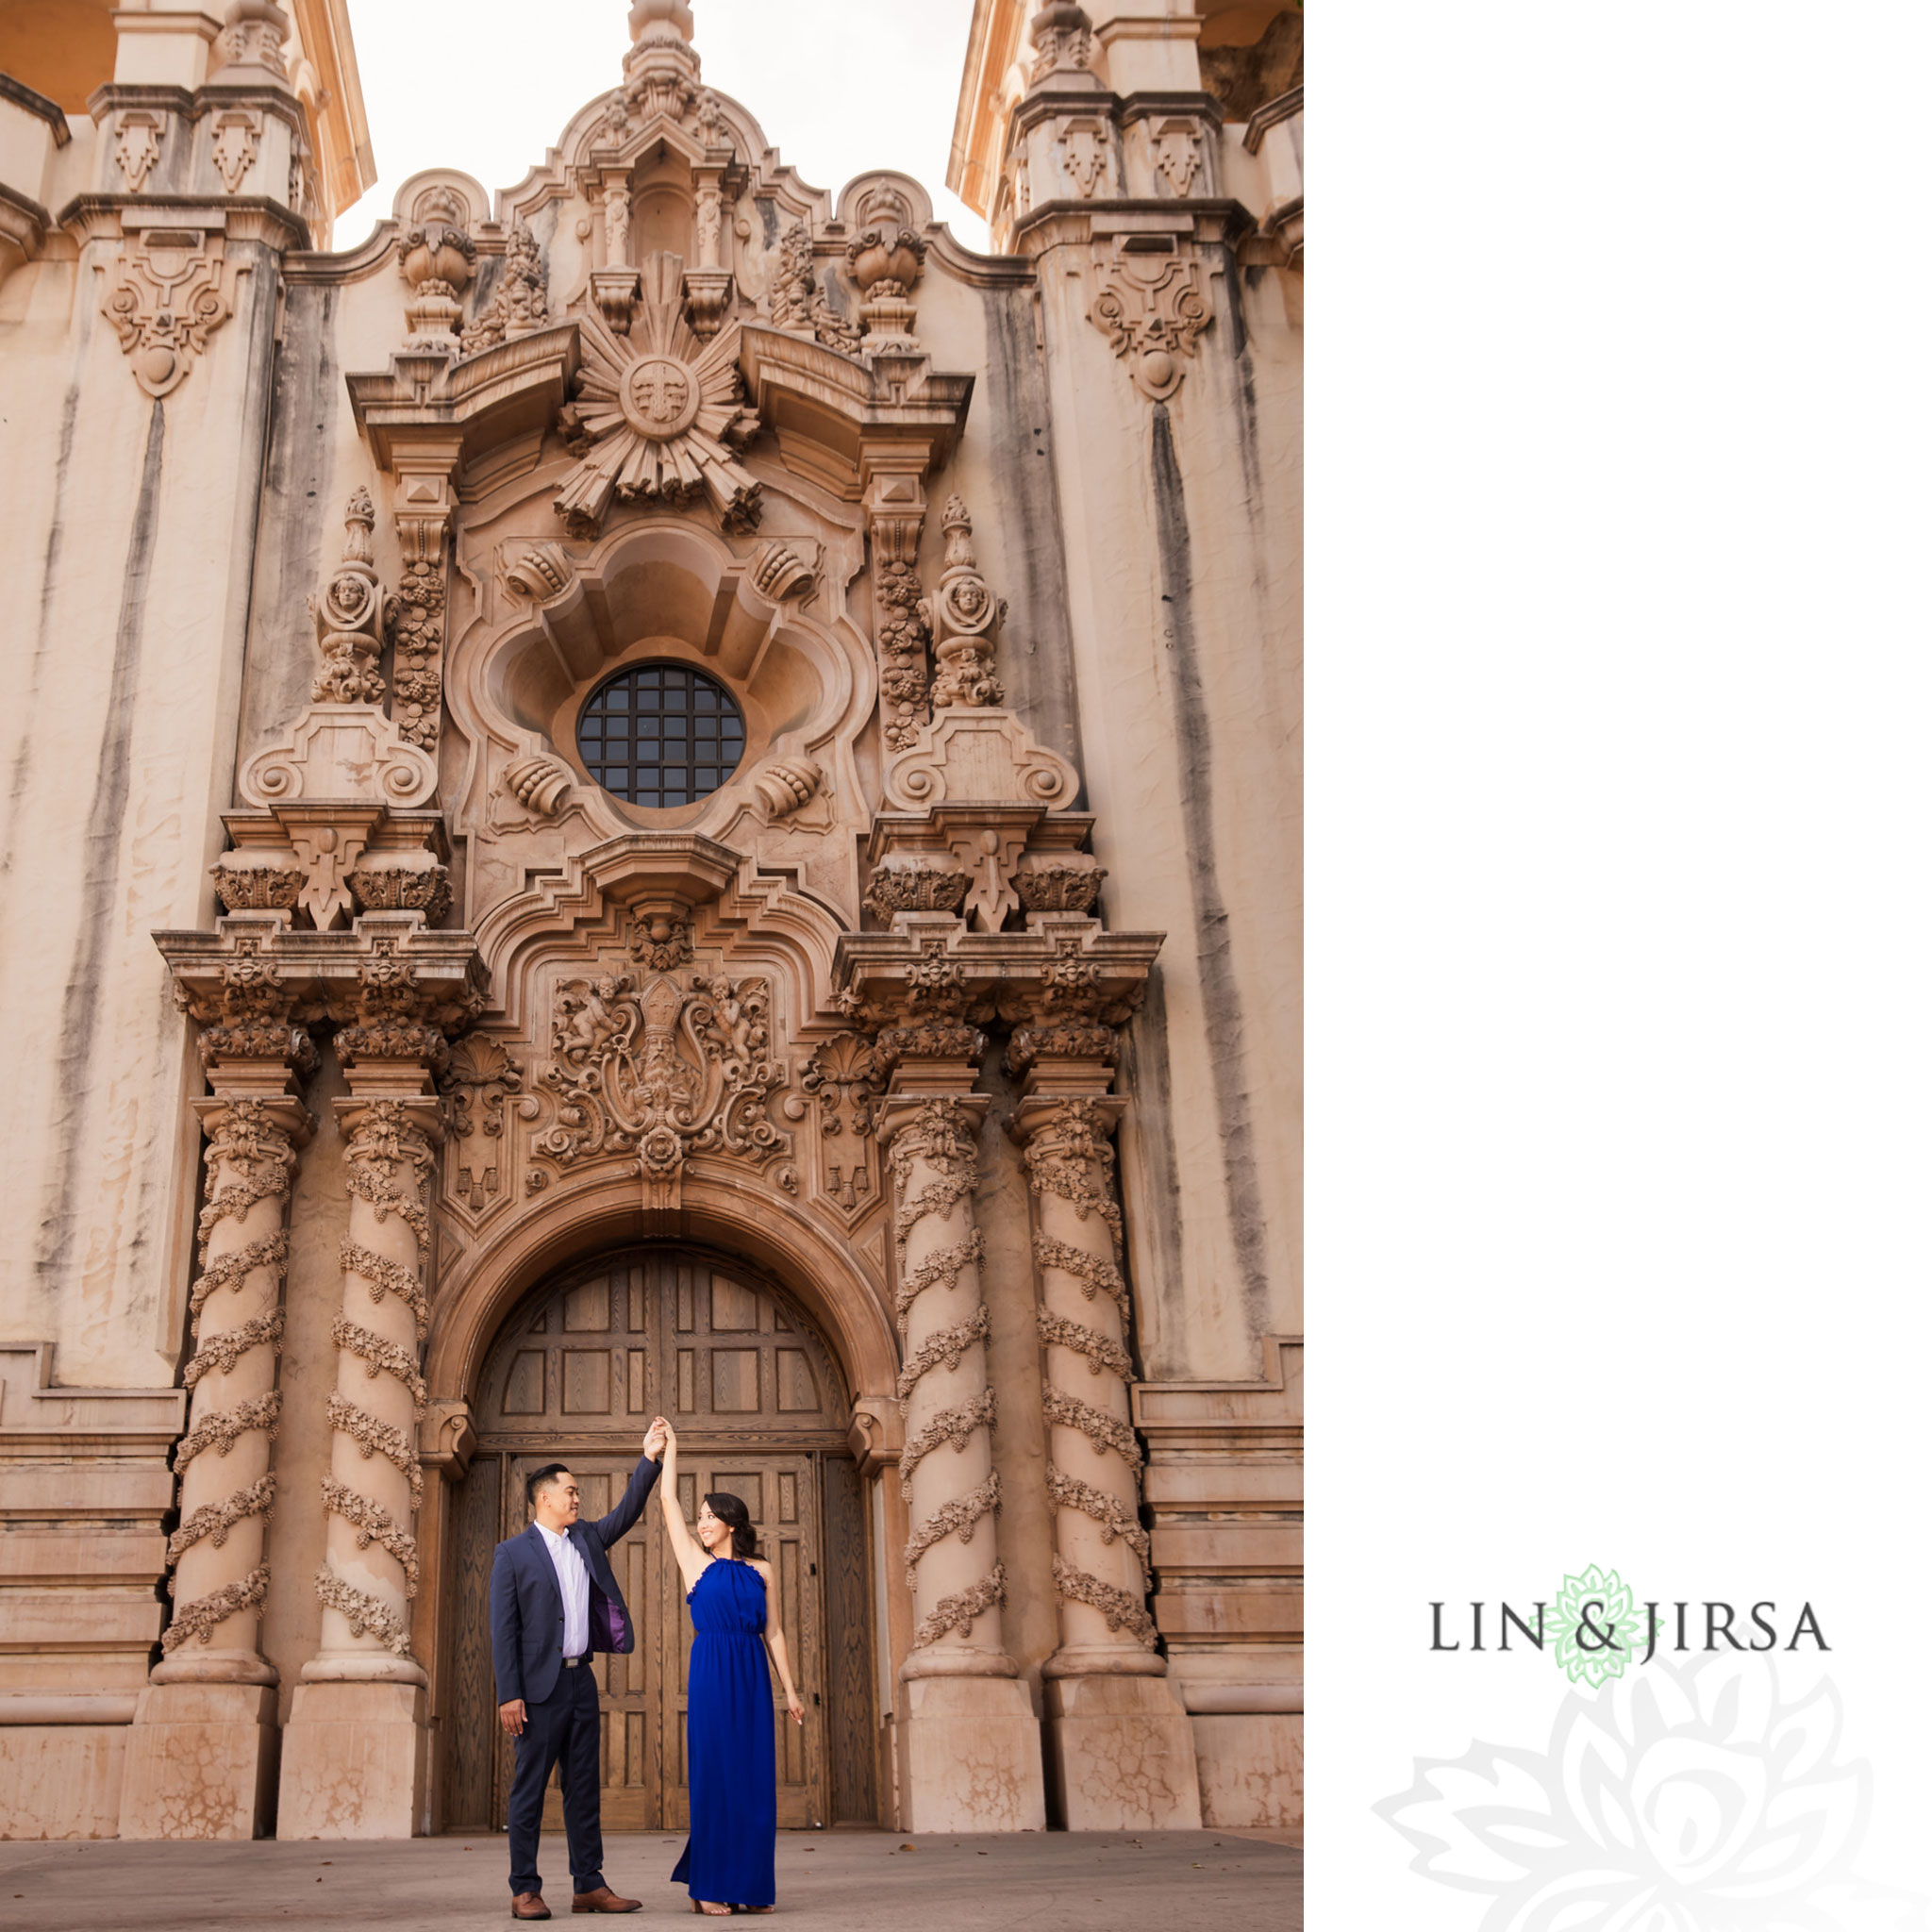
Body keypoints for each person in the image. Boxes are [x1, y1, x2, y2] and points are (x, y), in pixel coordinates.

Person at [490, 1419, 669, 1921]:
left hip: (579, 1682)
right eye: (570, 1491)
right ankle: (524, 1888)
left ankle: (589, 1884)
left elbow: (628, 1511)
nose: (577, 1499)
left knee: (583, 1788)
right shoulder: (512, 1554)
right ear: (544, 1497)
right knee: (529, 1790)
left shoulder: (586, 1539)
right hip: (537, 1691)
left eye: (577, 1493)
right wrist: (510, 1693)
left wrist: (649, 1458)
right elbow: (503, 1630)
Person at [655, 1418, 806, 1917]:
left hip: (752, 1680)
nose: (701, 1523)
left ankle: (749, 1885)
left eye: (710, 1517)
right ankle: (707, 1886)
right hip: (712, 1678)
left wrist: (791, 1691)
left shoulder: (762, 1570)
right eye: (699, 1516)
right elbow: (667, 1504)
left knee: (753, 1780)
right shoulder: (694, 1563)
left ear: (732, 1524)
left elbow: (775, 1633)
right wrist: (670, 1451)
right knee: (716, 1778)